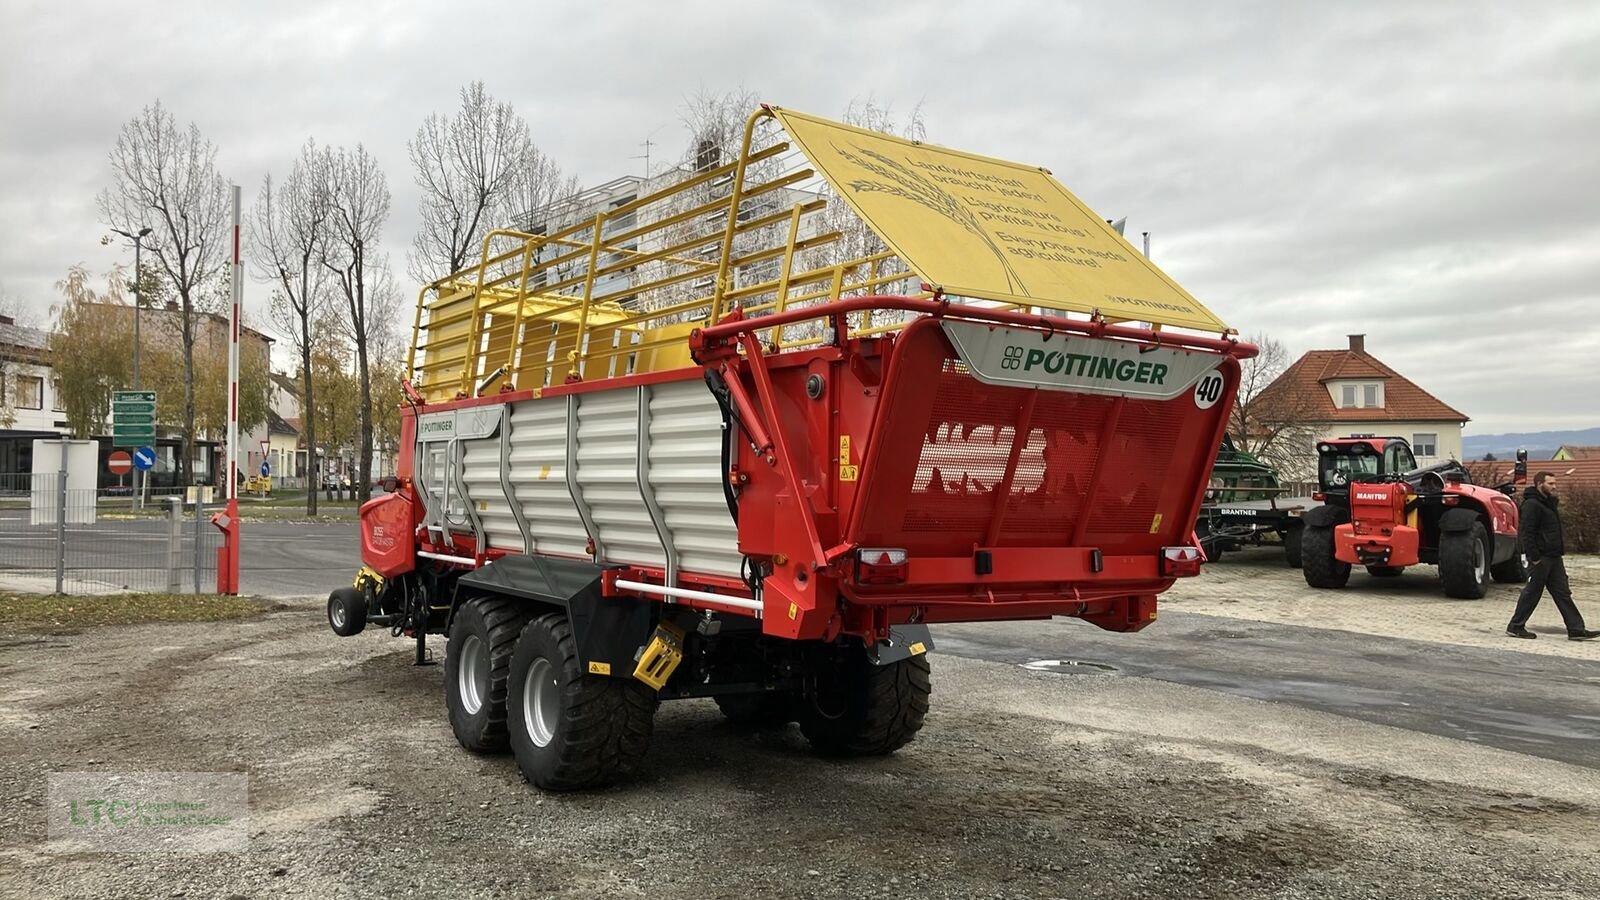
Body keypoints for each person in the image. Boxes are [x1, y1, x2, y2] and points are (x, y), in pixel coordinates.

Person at [1507, 472, 1599, 641]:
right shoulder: (1532, 505)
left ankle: (1576, 629)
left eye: (1554, 483)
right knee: (1532, 592)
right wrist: (1533, 556)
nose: (1554, 486)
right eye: (1550, 483)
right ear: (1539, 484)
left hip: (1554, 557)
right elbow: (1527, 532)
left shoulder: (1548, 504)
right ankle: (1516, 626)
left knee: (1562, 593)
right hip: (1541, 557)